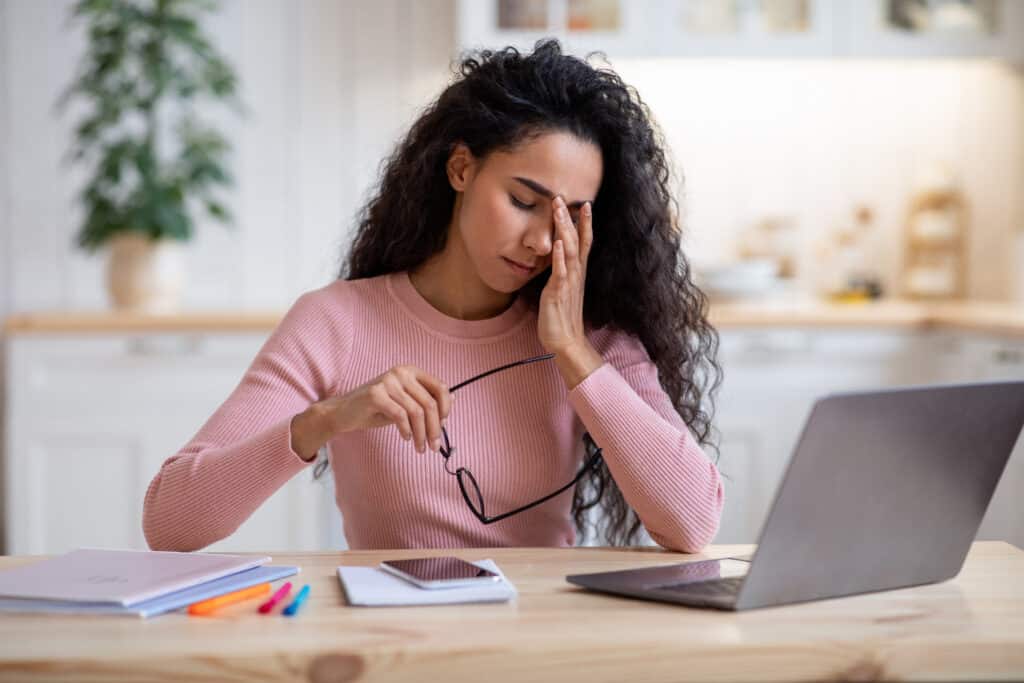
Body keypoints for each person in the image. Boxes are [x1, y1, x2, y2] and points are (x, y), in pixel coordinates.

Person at [142, 39, 724, 553]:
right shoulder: (337, 323)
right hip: (395, 644)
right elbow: (170, 523)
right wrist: (323, 421)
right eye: (523, 201)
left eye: (569, 217)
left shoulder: (591, 333)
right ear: (461, 168)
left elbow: (693, 522)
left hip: (543, 642)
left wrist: (573, 354)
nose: (543, 241)